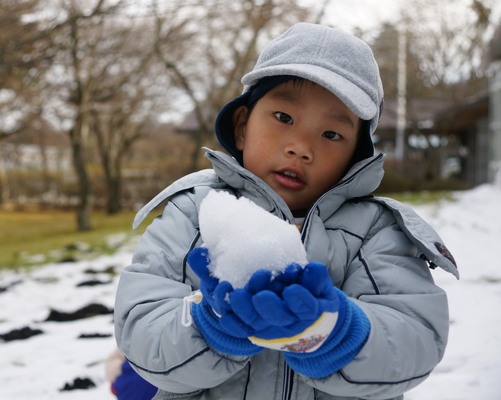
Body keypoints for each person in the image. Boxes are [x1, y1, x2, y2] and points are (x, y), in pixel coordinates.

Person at [114, 22, 458, 400]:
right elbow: (142, 332)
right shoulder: (194, 211)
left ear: (354, 158)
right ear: (242, 125)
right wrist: (212, 324)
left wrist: (331, 331)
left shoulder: (376, 232)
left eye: (331, 134)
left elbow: (415, 340)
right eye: (283, 118)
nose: (300, 147)